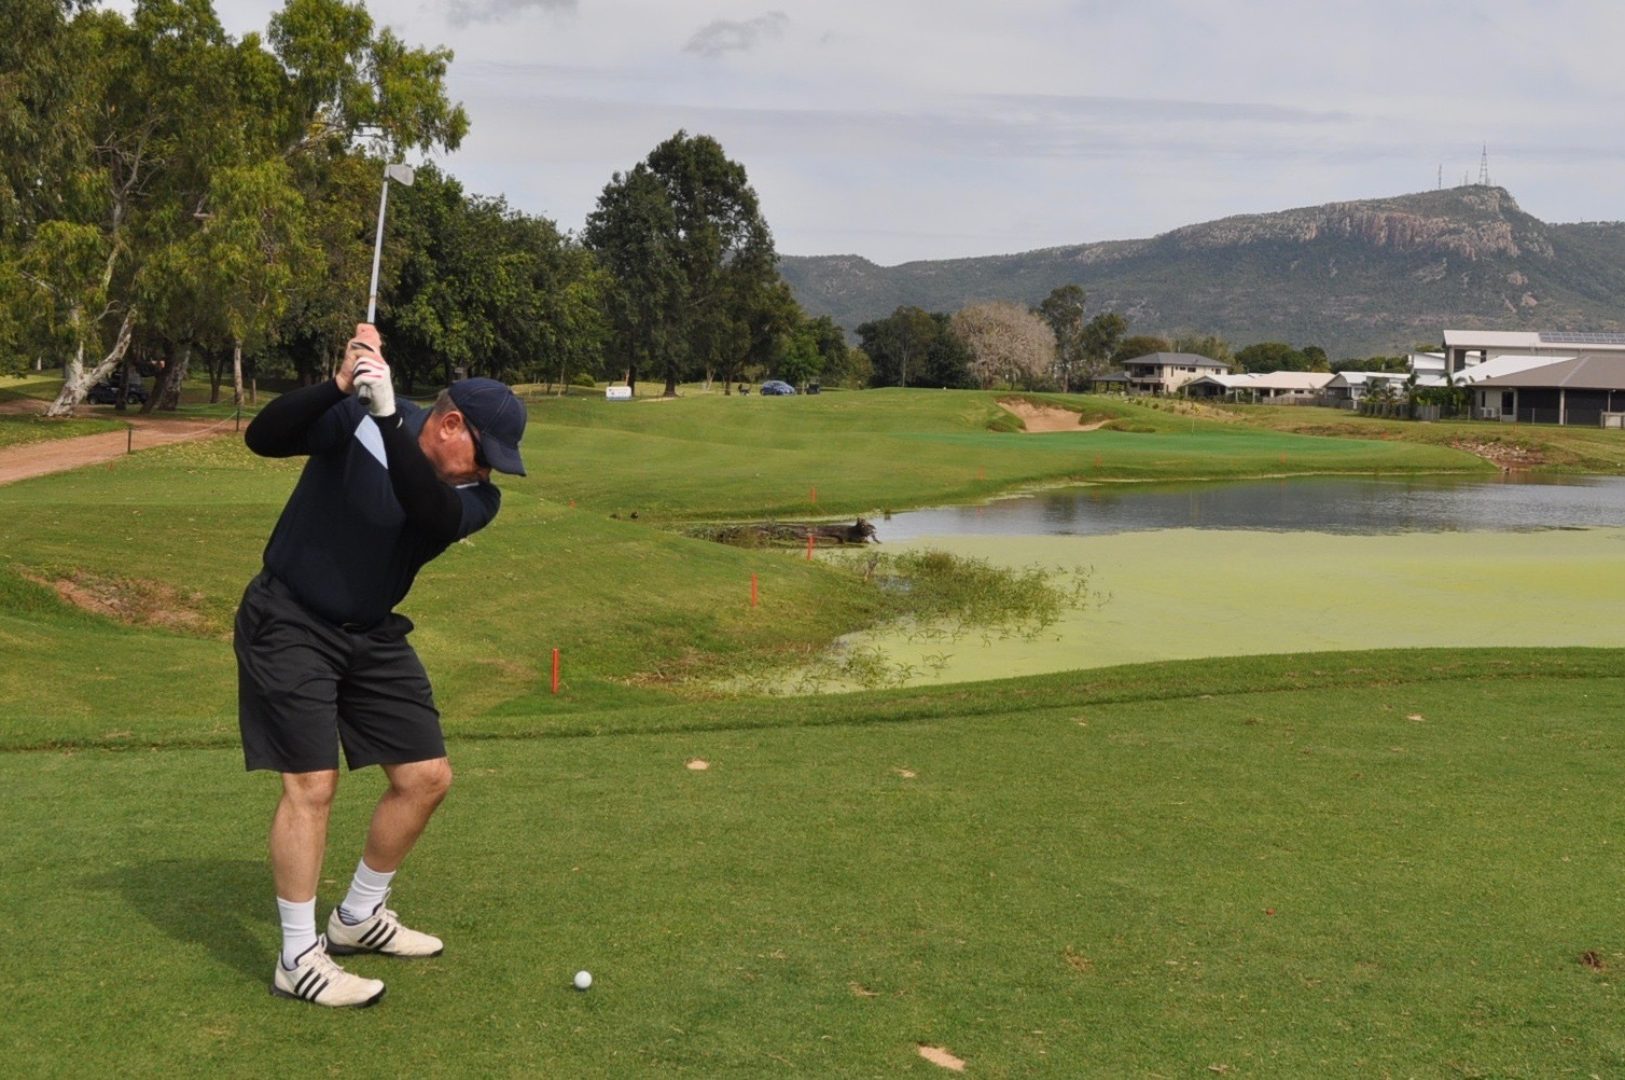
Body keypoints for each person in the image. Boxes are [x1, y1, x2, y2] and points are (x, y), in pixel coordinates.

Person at [235, 324, 527, 1007]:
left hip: (371, 633)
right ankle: (297, 957)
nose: (487, 474)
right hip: (288, 618)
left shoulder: (474, 499)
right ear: (450, 425)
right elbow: (263, 438)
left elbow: (427, 507)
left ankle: (358, 917)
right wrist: (336, 387)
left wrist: (389, 416)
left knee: (426, 777)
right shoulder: (357, 415)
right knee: (312, 786)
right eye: (485, 456)